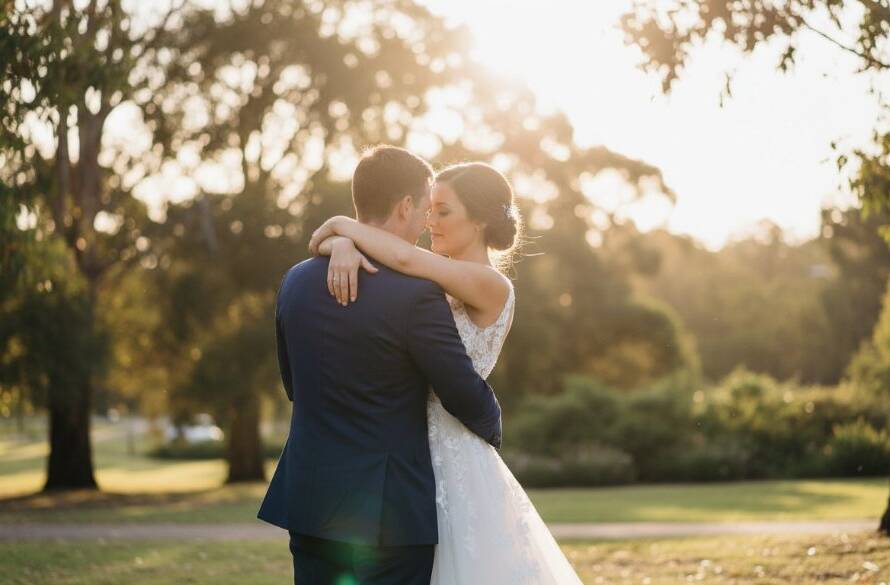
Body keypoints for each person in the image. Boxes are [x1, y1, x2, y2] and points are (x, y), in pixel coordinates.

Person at [309, 160, 585, 584]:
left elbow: (399, 255)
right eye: (429, 208)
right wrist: (341, 245)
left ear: (477, 222)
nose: (428, 220)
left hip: (454, 456)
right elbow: (391, 264)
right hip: (410, 453)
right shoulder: (431, 281)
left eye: (442, 211)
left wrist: (340, 225)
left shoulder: (490, 284)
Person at [257, 145, 503, 585]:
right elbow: (458, 390)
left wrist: (339, 237)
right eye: (426, 207)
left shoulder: (295, 281)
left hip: (310, 499)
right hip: (389, 514)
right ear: (406, 205)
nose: (427, 221)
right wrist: (492, 424)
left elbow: (294, 384)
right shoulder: (416, 294)